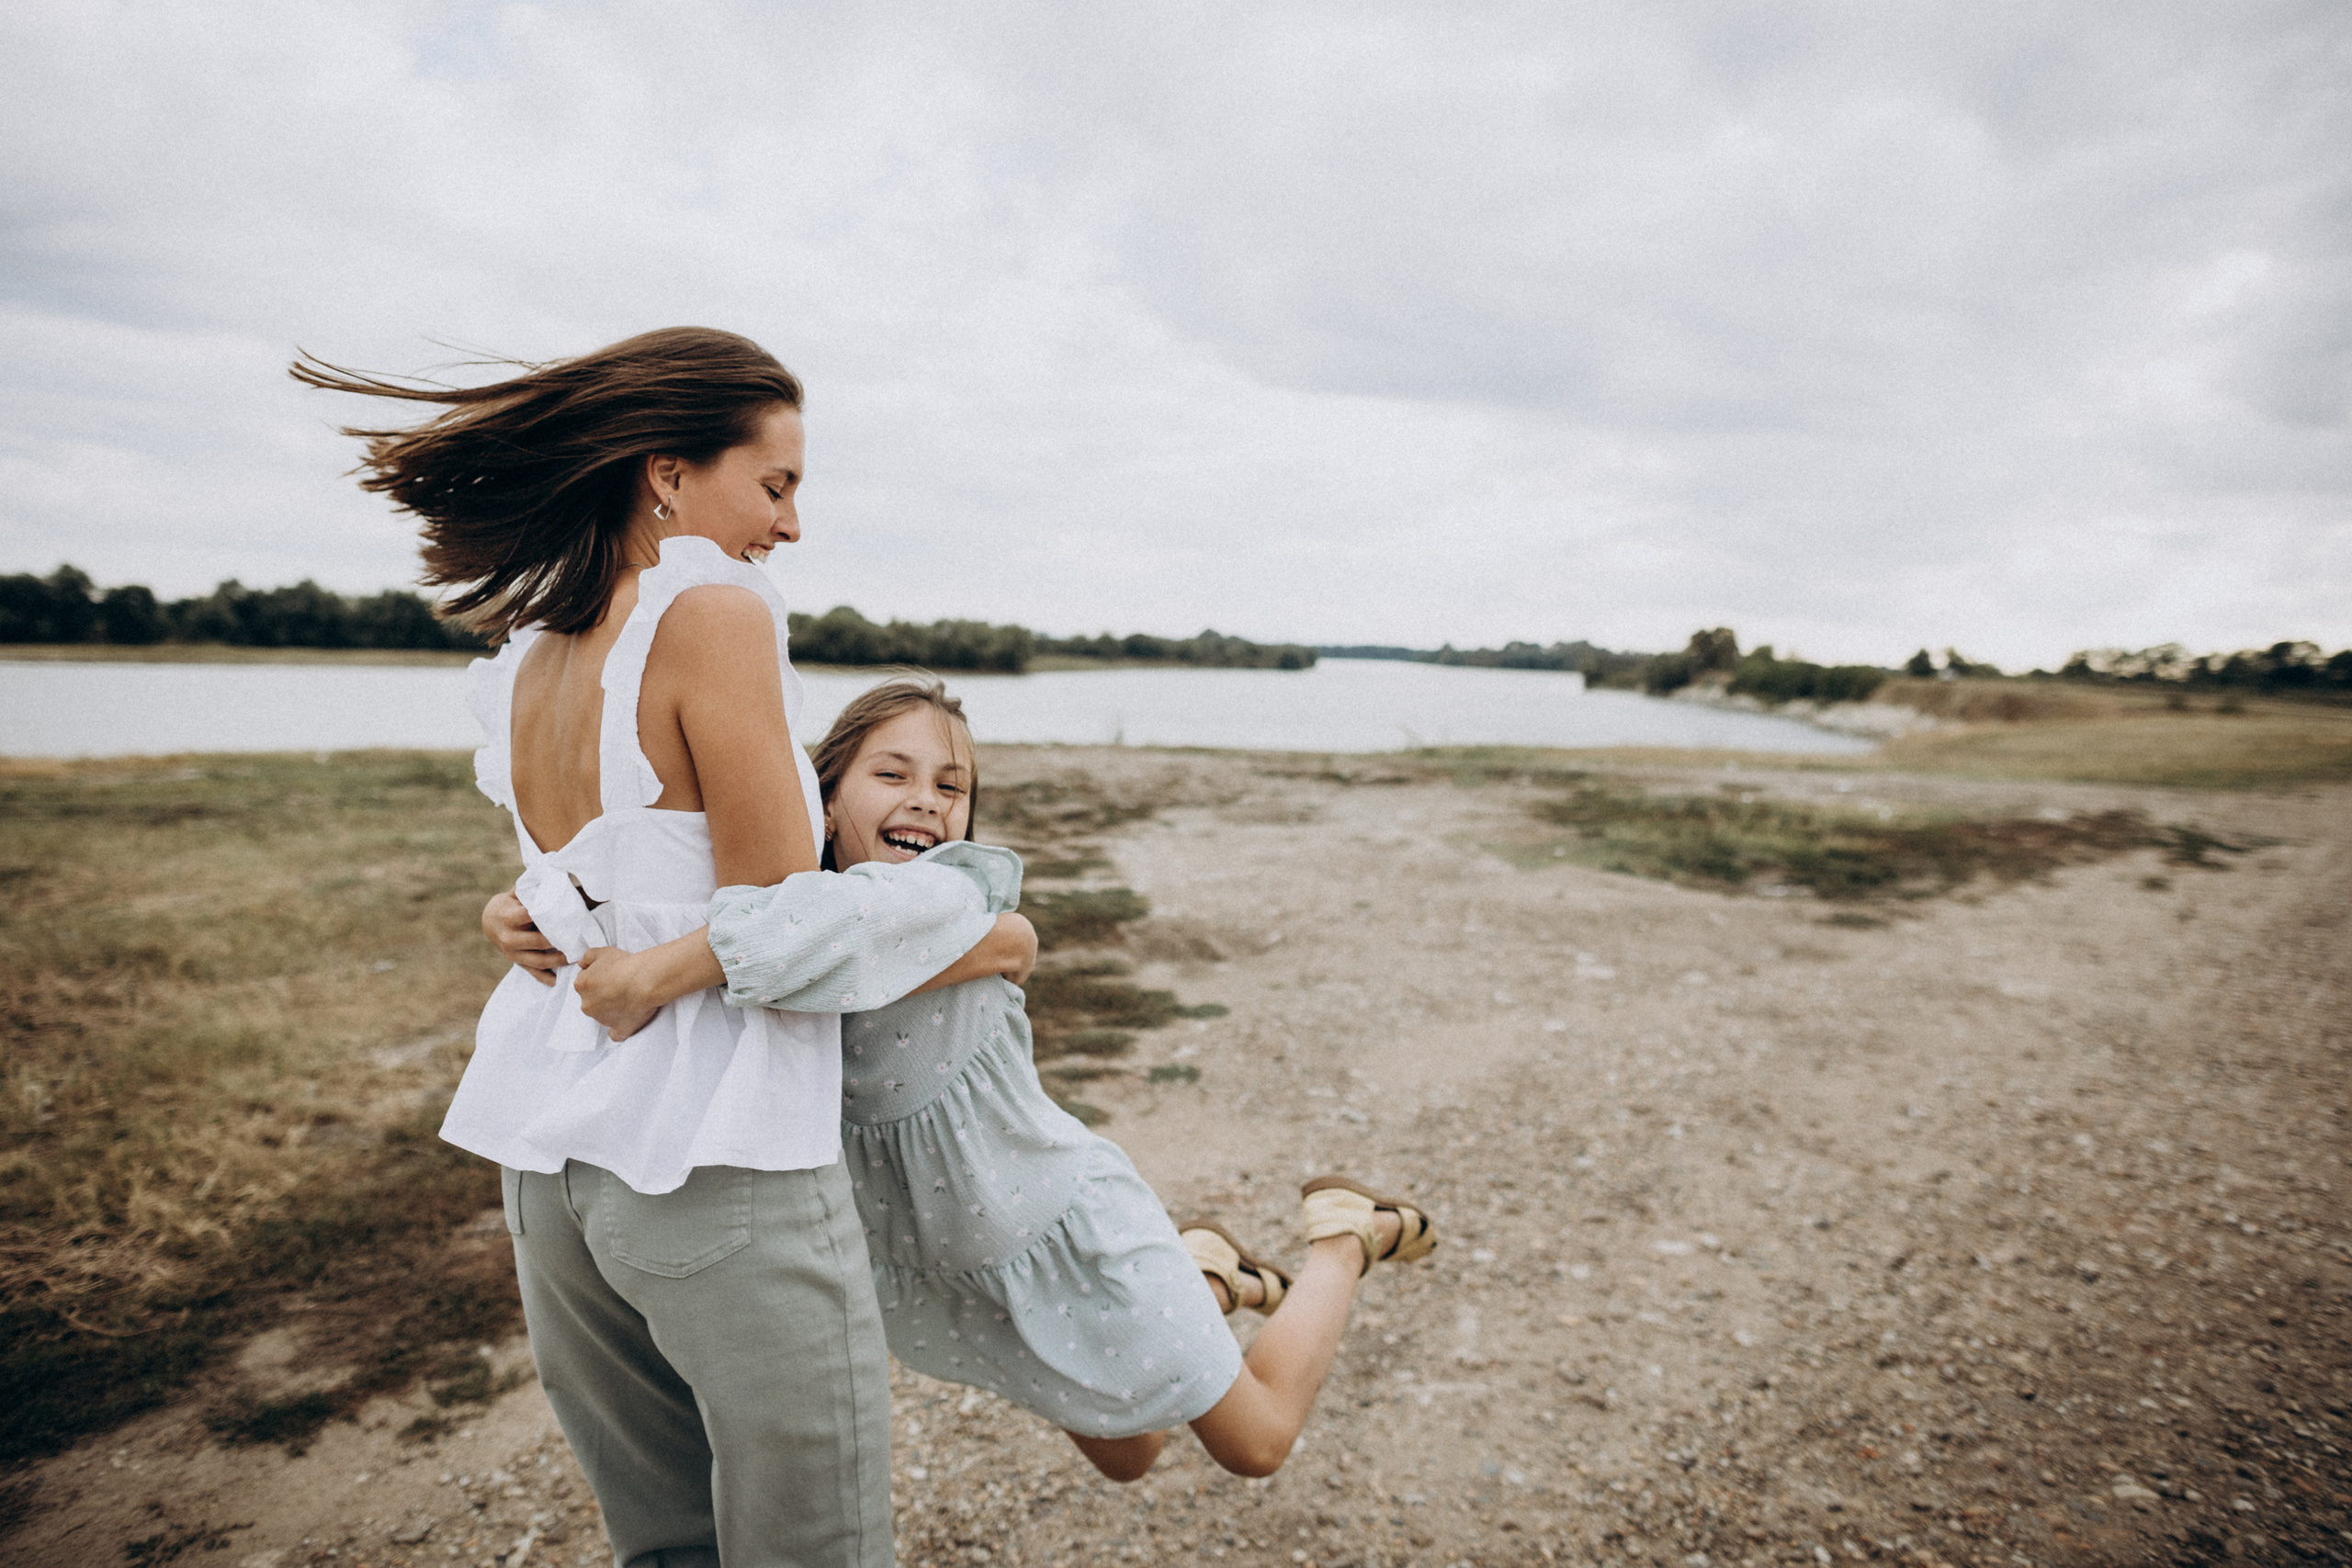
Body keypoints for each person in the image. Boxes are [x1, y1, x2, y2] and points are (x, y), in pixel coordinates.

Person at [299, 329, 1032, 1568]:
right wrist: (982, 923)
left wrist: (515, 914)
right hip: (713, 1143)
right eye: (776, 484)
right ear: (668, 474)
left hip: (551, 1159)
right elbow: (781, 918)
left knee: (668, 1542)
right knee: (816, 1543)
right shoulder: (713, 611)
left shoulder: (533, 653)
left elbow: (594, 884)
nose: (790, 524)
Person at [503, 677, 1438, 1483]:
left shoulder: (944, 895)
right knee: (1132, 1451)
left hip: (1071, 1232)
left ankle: (1342, 1233)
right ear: (821, 796)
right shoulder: (777, 916)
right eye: (893, 774)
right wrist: (516, 910)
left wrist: (657, 974)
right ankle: (1204, 1276)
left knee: (1255, 1443)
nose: (927, 801)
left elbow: (844, 936)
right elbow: (664, 890)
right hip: (965, 1268)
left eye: (952, 787)